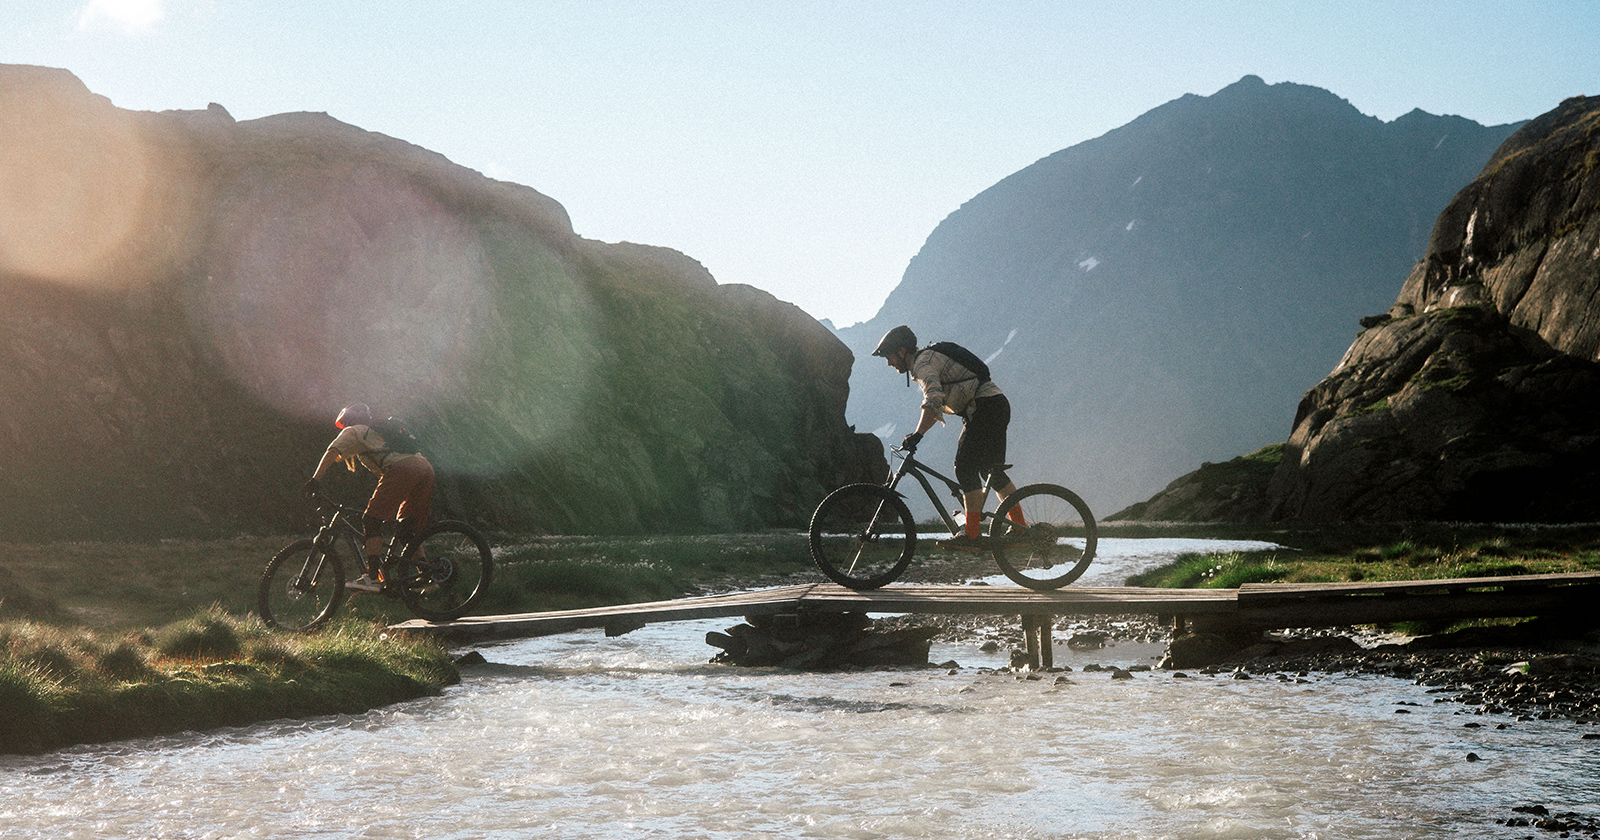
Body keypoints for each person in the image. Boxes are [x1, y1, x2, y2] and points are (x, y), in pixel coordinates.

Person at [871, 325, 1021, 547]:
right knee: (991, 472)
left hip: (985, 408)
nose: (888, 362)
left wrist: (917, 434)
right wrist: (919, 432)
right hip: (992, 406)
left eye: (889, 356)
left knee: (964, 467)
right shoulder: (926, 359)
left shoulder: (923, 364)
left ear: (902, 351)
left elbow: (933, 399)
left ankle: (971, 534)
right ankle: (1020, 529)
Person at [303, 403, 435, 592]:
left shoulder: (354, 431)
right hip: (425, 469)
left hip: (403, 469)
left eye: (346, 422)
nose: (345, 425)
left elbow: (332, 452)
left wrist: (315, 480)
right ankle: (427, 575)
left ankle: (372, 577)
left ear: (349, 420)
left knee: (371, 520)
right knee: (406, 528)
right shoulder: (378, 433)